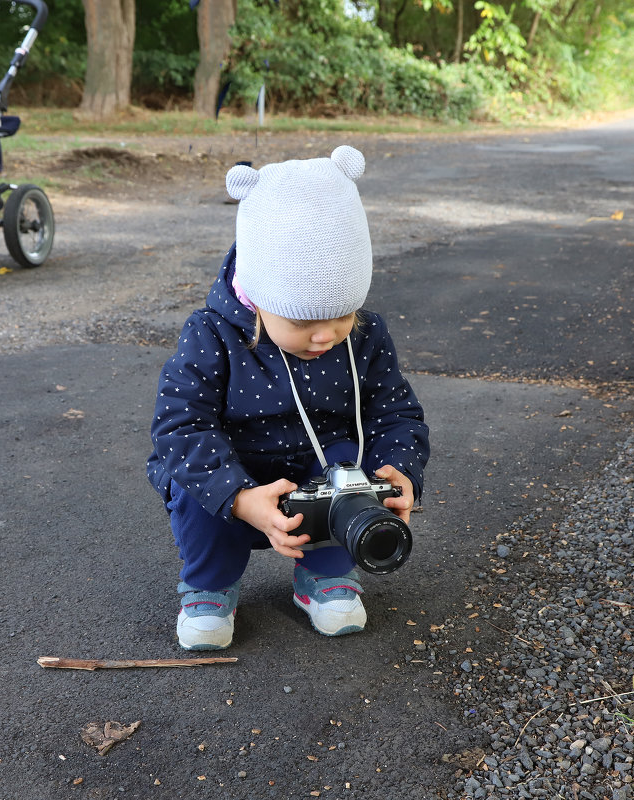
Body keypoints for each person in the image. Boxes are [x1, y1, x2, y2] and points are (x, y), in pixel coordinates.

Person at [146, 145, 430, 651]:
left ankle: (325, 573)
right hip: (234, 472)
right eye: (301, 322)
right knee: (192, 480)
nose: (325, 337)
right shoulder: (212, 333)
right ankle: (208, 585)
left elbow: (395, 410)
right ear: (257, 297)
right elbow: (180, 426)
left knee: (349, 468)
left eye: (342, 316)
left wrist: (401, 470)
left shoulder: (365, 335)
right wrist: (237, 496)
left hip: (319, 467)